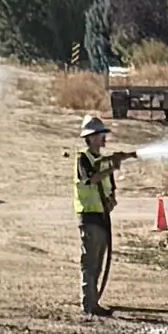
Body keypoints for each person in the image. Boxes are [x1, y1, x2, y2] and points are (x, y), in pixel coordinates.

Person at [74, 110, 120, 315]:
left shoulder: (104, 161)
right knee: (90, 262)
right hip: (89, 216)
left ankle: (94, 302)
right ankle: (89, 304)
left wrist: (111, 201)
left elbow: (110, 188)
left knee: (98, 262)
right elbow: (91, 179)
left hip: (102, 217)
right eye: (100, 134)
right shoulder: (83, 159)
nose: (103, 138)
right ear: (90, 138)